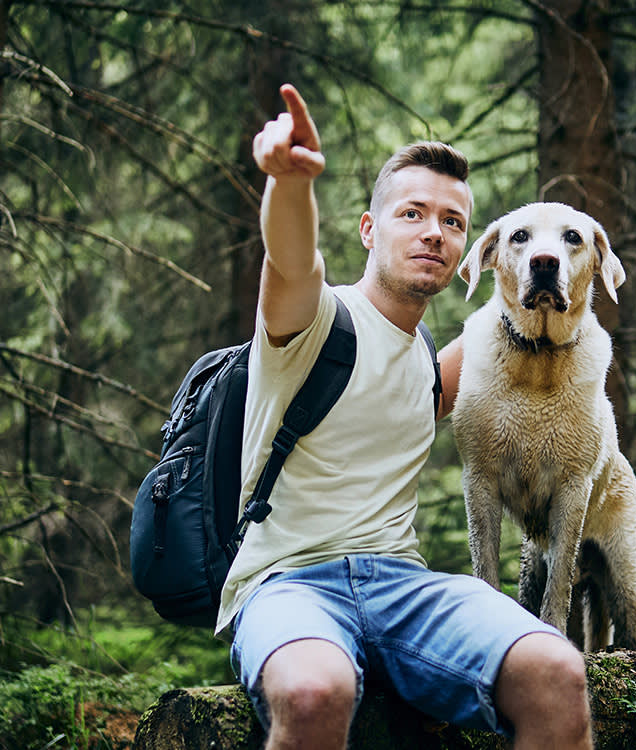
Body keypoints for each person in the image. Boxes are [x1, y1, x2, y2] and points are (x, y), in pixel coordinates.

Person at [216, 83, 593, 750]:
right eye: (412, 213)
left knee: (557, 671)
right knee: (313, 692)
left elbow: (524, 321)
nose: (434, 233)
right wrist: (291, 182)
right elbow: (290, 259)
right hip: (288, 585)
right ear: (369, 228)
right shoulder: (313, 321)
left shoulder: (436, 359)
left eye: (452, 222)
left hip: (403, 585)